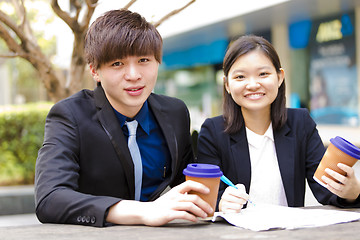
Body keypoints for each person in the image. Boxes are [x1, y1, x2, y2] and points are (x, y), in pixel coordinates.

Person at [35, 9, 213, 227]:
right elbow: (49, 199)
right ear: (95, 71)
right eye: (117, 64)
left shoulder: (175, 112)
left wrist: (222, 199)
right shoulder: (70, 115)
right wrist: (144, 212)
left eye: (144, 60)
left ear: (157, 62)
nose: (134, 75)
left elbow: (187, 184)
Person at [196, 35, 360, 213]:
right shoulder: (212, 132)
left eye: (263, 74)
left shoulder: (300, 123)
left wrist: (351, 192)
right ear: (227, 85)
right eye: (240, 77)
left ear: (280, 77)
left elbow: (326, 191)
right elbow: (205, 196)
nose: (252, 84)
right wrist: (220, 203)